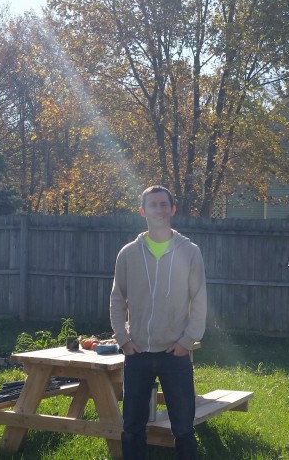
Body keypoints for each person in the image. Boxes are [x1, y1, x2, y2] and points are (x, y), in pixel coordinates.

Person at [110, 185, 207, 459]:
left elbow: (199, 299)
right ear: (143, 211)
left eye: (164, 204)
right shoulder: (128, 253)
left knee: (184, 428)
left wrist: (187, 341)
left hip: (174, 354)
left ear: (172, 209)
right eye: (153, 205)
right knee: (131, 428)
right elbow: (117, 298)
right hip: (137, 353)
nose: (159, 209)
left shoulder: (190, 252)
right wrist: (123, 339)